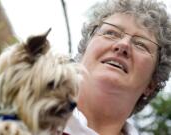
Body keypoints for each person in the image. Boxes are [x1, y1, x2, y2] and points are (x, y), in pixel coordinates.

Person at [63, 0, 171, 134]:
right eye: (111, 33)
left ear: (151, 84)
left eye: (141, 44)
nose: (123, 45)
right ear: (84, 52)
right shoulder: (32, 119)